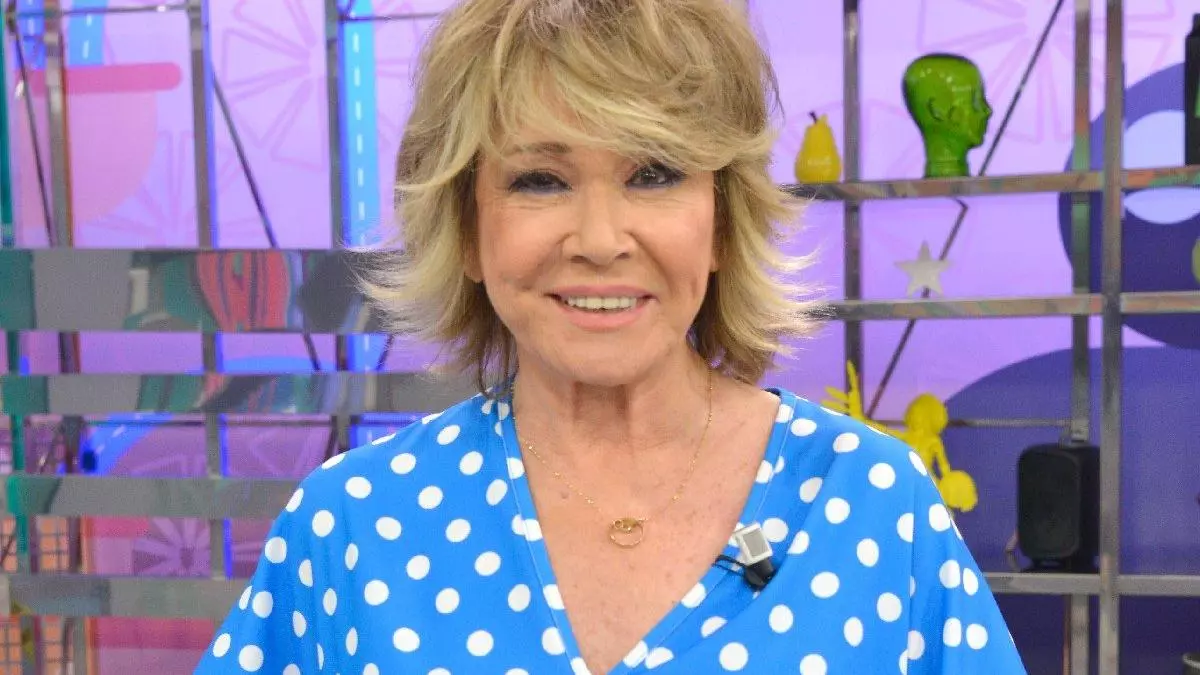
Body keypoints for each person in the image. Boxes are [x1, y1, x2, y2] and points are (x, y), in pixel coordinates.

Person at [195, 0, 1027, 673]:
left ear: (722, 220)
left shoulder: (878, 503)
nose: (599, 238)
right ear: (468, 228)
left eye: (654, 172)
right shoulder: (352, 523)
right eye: (539, 180)